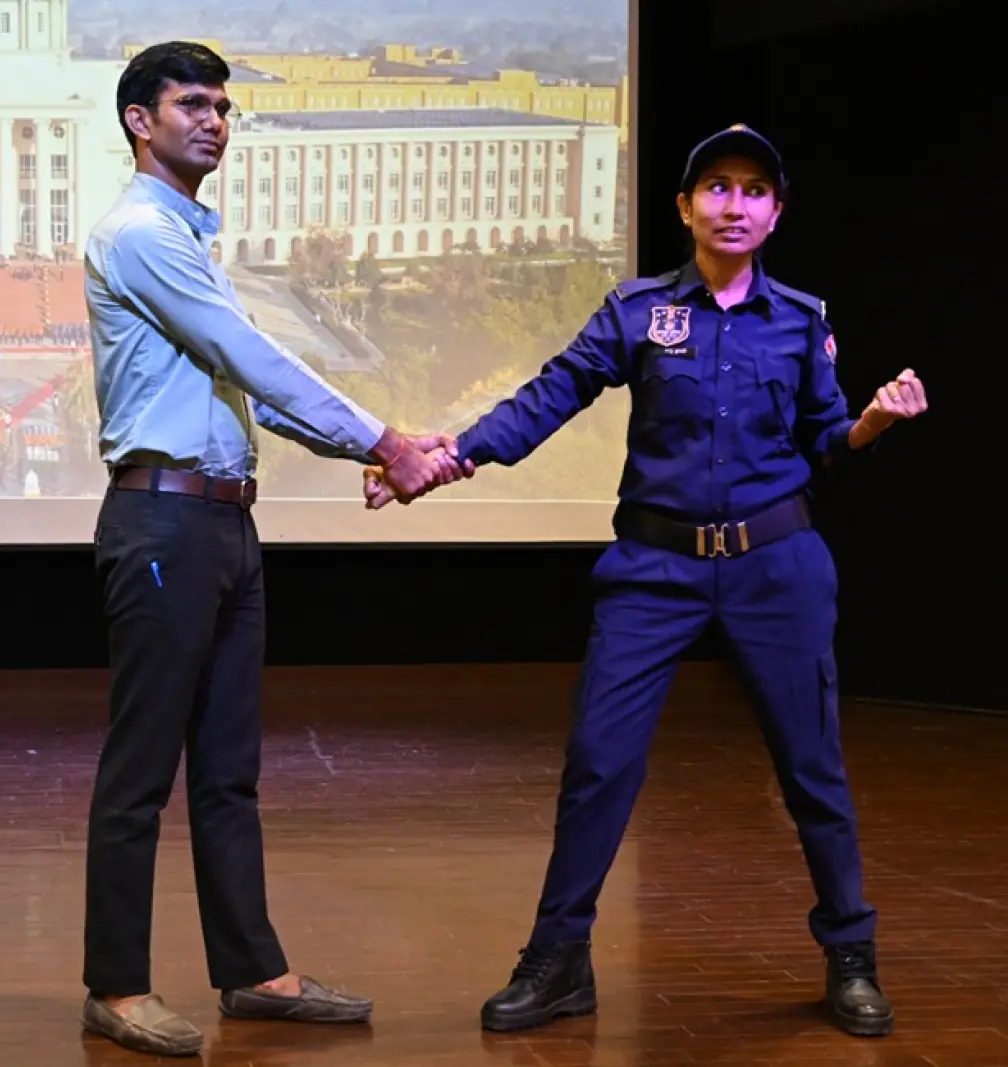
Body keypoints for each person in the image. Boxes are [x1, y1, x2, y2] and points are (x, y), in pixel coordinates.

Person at [366, 124, 926, 1038]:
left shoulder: (802, 320)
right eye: (716, 186)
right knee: (598, 764)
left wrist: (868, 422)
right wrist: (451, 456)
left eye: (753, 190)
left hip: (775, 565)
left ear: (776, 211)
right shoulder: (635, 311)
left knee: (812, 768)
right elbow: (552, 393)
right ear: (684, 207)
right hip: (655, 567)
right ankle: (557, 960)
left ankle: (851, 954)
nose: (733, 204)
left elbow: (825, 441)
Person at [79, 41, 468, 1058]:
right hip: (162, 522)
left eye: (222, 106)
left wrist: (368, 449)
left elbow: (243, 383)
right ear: (139, 120)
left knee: (227, 769)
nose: (213, 120)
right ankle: (115, 985)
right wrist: (384, 442)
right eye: (191, 104)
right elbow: (249, 356)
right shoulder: (140, 233)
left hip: (220, 522)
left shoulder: (186, 236)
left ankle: (251, 968)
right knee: (140, 771)